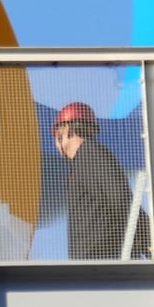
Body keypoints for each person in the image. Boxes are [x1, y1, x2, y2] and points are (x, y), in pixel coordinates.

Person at [53, 102, 146, 259]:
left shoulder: (89, 153)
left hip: (104, 261)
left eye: (57, 136)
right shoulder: (83, 160)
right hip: (95, 262)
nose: (56, 144)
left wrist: (148, 240)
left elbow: (120, 197)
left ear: (67, 131)